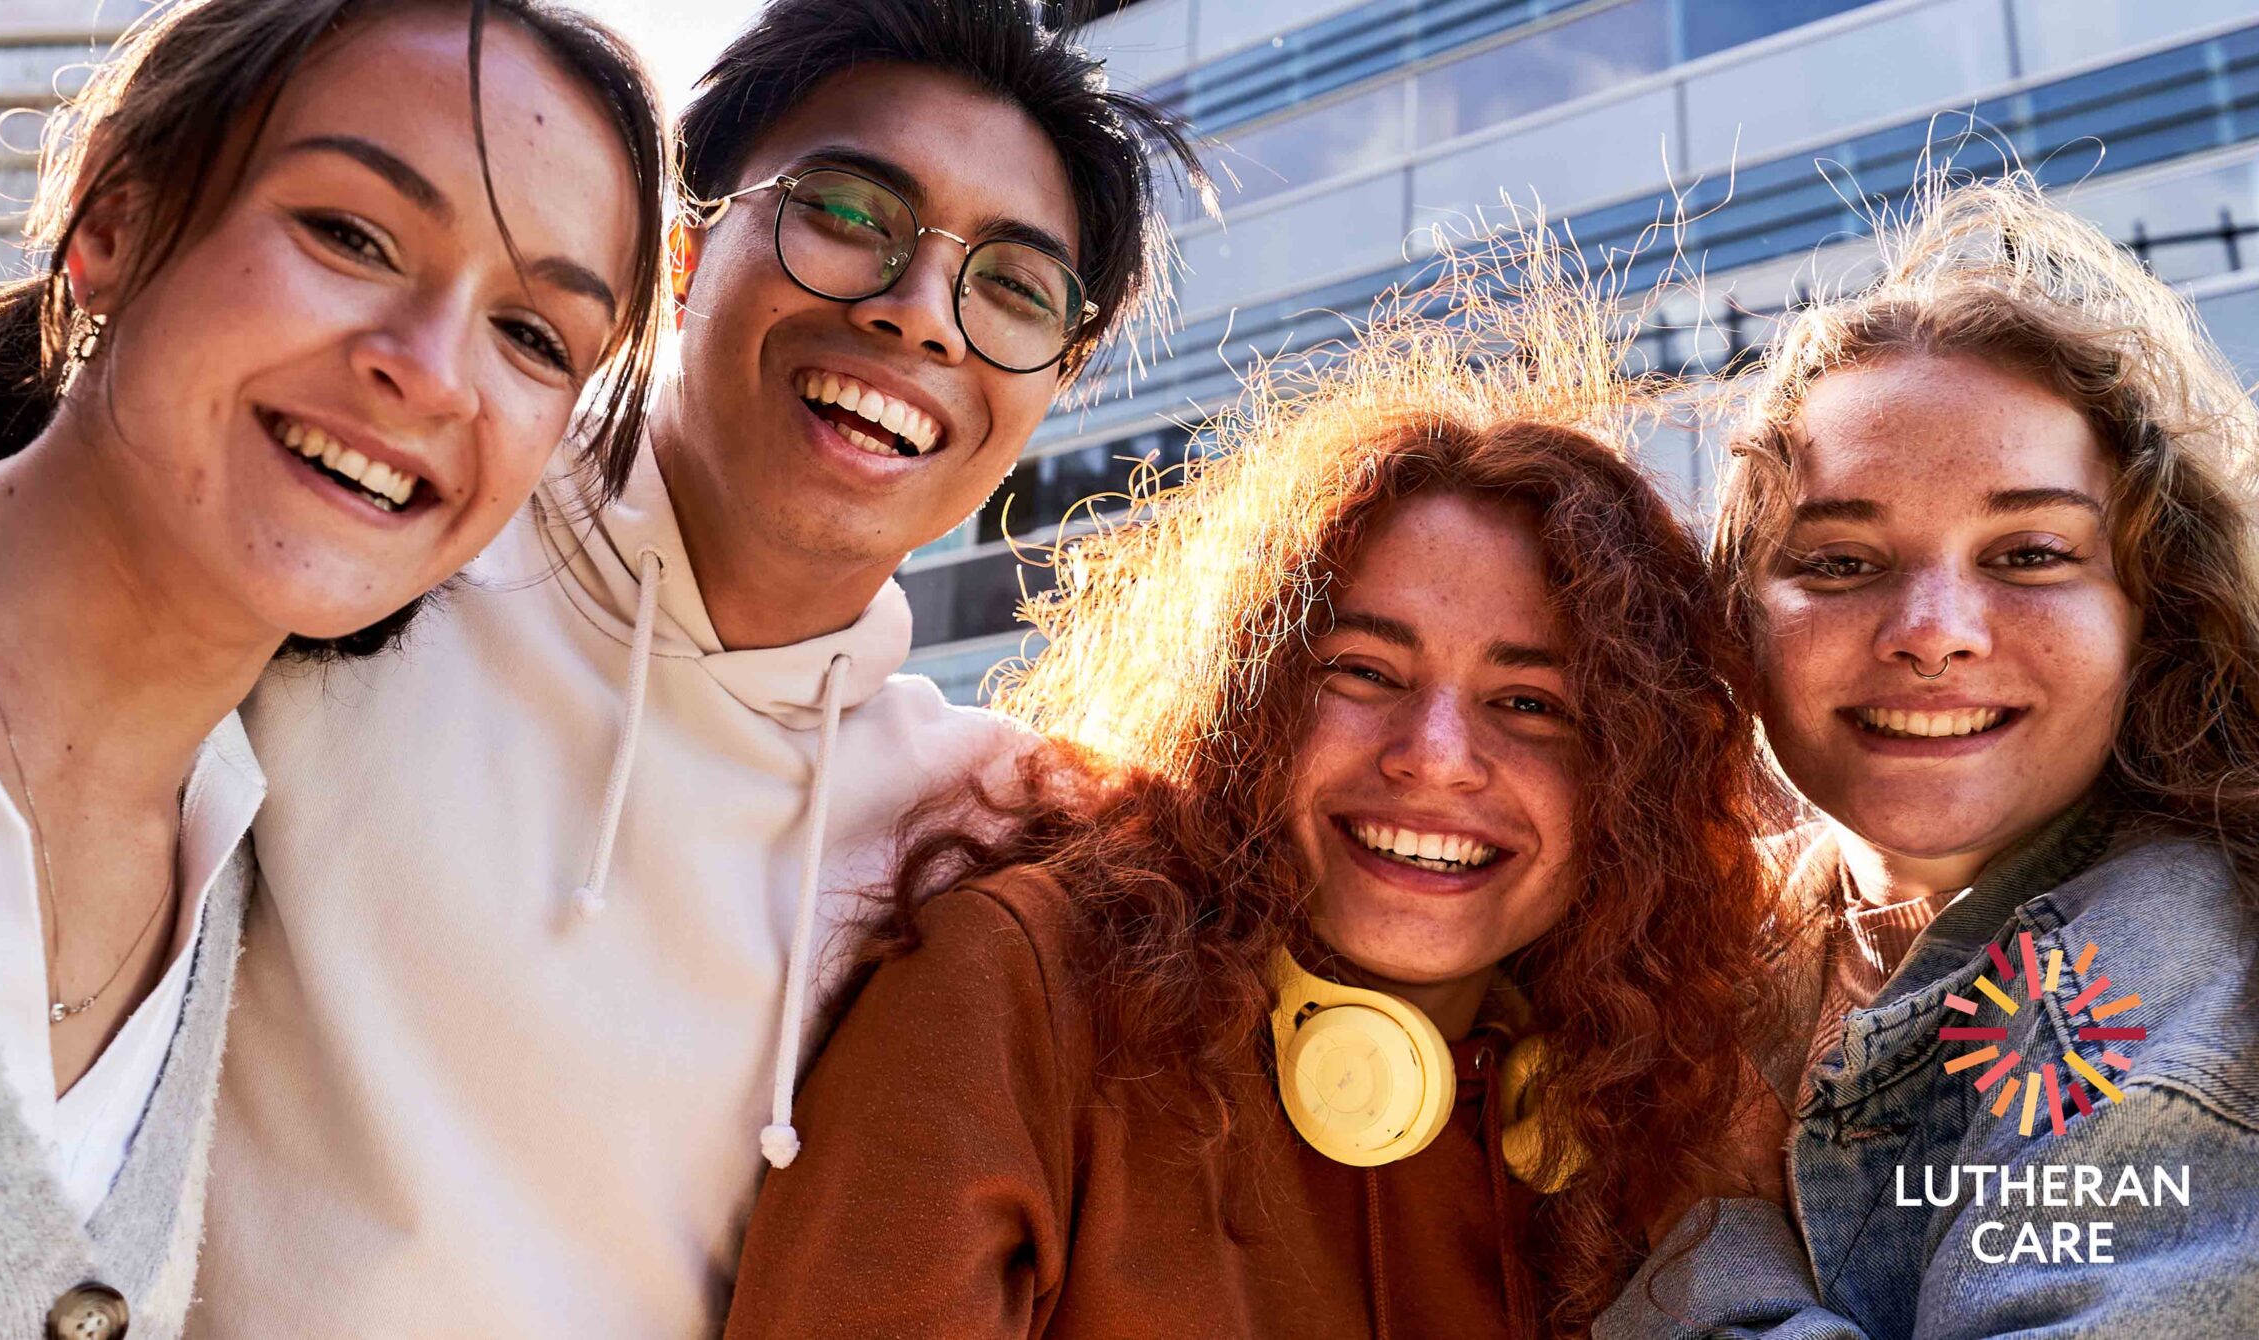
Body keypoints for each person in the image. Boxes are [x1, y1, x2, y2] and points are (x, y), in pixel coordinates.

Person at [192, 0, 1204, 1333]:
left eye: (1011, 287)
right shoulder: (384, 554)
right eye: (848, 213)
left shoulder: (1004, 836)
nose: (918, 317)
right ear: (683, 252)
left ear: (1052, 388)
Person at [0, 2, 663, 1334]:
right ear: (112, 221)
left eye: (534, 336)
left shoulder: (243, 888)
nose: (430, 372)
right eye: (351, 234)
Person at [722, 239, 1782, 1338]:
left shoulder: (1648, 1109)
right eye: (1363, 673)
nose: (1434, 753)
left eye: (1531, 703)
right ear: (1249, 702)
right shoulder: (1023, 984)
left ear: (1629, 776)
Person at [1597, 175, 2259, 1337]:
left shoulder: (2149, 957)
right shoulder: (1702, 927)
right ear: (1734, 622)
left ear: (2145, 609)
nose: (1934, 629)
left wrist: (1706, 1228)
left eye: (2029, 552)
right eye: (1843, 561)